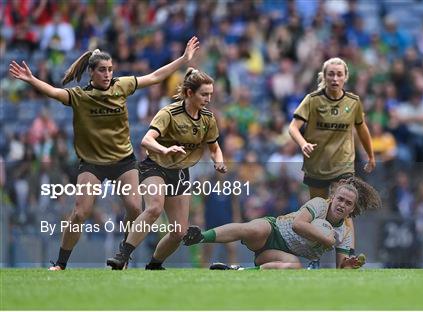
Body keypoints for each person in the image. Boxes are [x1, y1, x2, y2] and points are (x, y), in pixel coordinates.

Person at [9, 36, 200, 271]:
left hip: (123, 161)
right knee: (80, 213)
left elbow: (154, 76)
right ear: (91, 72)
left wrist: (183, 59)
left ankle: (123, 256)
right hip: (92, 163)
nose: (108, 74)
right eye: (102, 70)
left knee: (134, 208)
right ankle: (60, 263)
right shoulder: (80, 96)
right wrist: (31, 79)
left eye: (110, 69)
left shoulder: (122, 86)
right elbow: (54, 92)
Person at [106, 68, 227, 270]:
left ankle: (154, 265)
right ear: (190, 93)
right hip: (154, 167)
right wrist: (165, 149)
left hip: (179, 172)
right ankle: (122, 256)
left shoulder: (208, 118)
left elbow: (214, 147)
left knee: (179, 231)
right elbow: (146, 141)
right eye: (204, 94)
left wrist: (219, 161)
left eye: (210, 95)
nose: (208, 98)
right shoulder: (169, 113)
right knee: (154, 208)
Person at [183, 177, 381, 270]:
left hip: (283, 253)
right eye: (340, 199)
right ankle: (201, 236)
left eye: (348, 203)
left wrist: (349, 264)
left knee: (293, 266)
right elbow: (298, 225)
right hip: (275, 230)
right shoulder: (320, 204)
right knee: (251, 229)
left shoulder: (345, 231)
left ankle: (235, 271)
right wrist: (326, 238)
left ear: (352, 209)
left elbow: (340, 268)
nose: (342, 204)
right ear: (333, 197)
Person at [288, 57, 375, 267]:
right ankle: (314, 259)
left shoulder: (353, 102)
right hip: (316, 166)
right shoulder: (312, 100)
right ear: (324, 77)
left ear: (345, 77)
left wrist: (371, 155)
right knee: (318, 213)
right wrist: (302, 144)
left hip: (343, 165)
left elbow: (362, 129)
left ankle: (347, 259)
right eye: (331, 74)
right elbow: (293, 127)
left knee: (345, 209)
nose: (335, 78)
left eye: (339, 74)